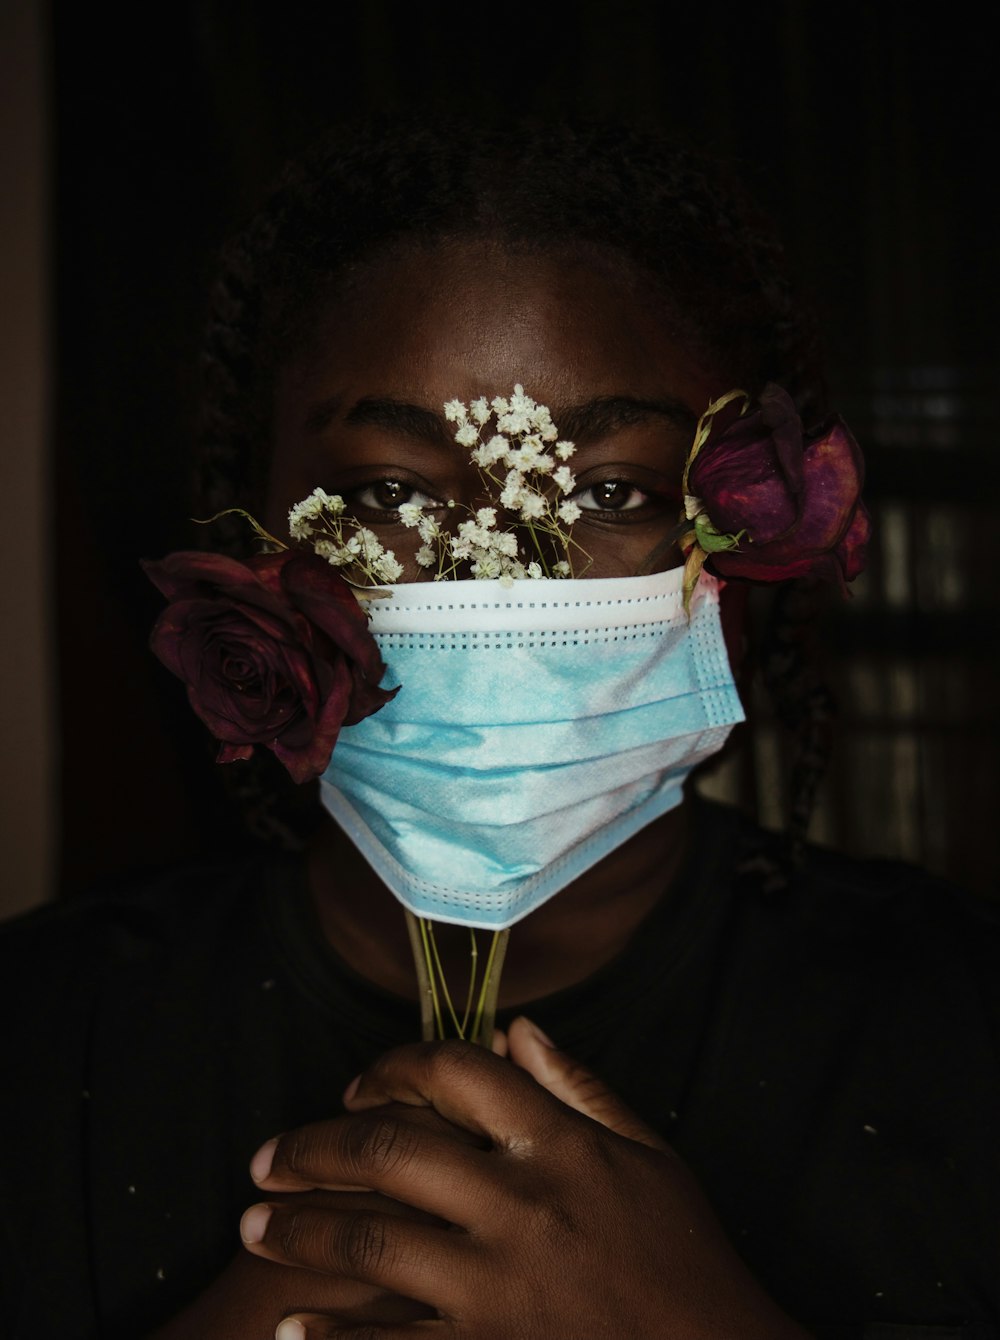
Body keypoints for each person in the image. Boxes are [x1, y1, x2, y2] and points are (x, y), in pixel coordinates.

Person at [2, 119, 997, 1340]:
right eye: (388, 492)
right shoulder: (44, 1035)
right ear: (250, 536)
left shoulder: (956, 1030)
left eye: (611, 493)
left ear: (752, 535)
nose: (499, 581)